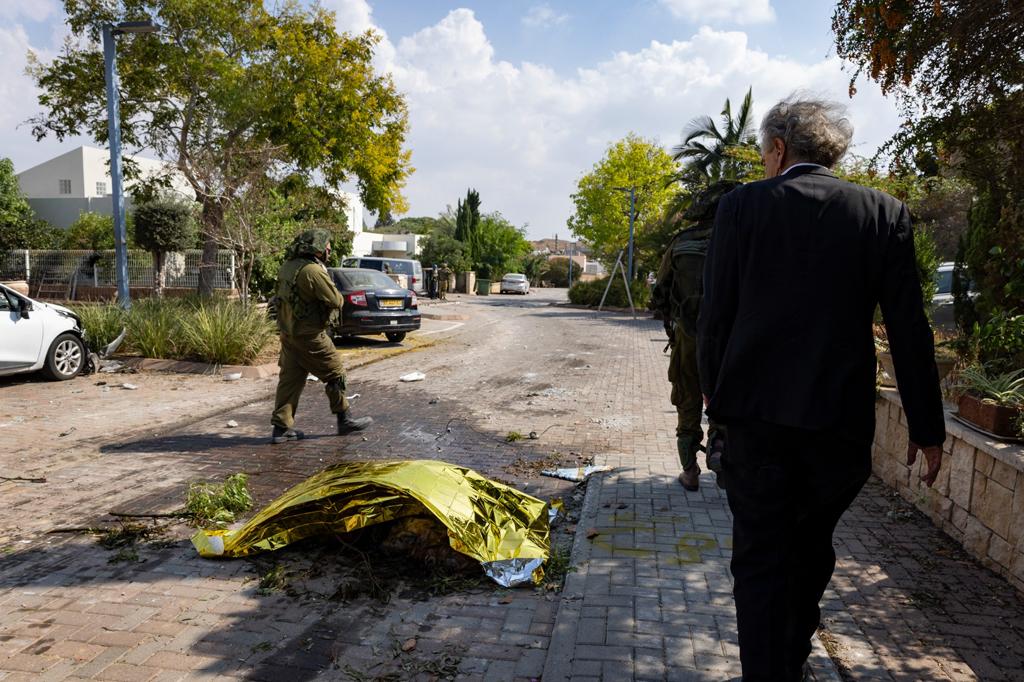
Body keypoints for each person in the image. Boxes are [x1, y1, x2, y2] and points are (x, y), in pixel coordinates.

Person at [698, 96, 946, 681]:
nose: (762, 163)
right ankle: (791, 661)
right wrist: (928, 428)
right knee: (810, 554)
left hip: (755, 424)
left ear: (779, 149)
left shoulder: (741, 208)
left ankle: (772, 670)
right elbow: (911, 329)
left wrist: (714, 400)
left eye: (763, 153)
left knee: (760, 561)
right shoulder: (884, 212)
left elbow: (715, 318)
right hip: (838, 428)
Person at [651, 180, 738, 491]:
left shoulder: (681, 242)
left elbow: (660, 292)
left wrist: (673, 326)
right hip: (732, 342)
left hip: (688, 338)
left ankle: (689, 472)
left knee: (687, 402)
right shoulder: (743, 239)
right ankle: (720, 451)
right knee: (726, 403)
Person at [271, 229, 372, 444]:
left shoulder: (288, 267)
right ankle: (344, 418)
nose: (329, 249)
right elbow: (336, 300)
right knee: (336, 374)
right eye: (326, 246)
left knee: (290, 380)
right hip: (310, 336)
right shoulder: (312, 271)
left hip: (289, 334)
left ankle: (280, 429)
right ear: (316, 247)